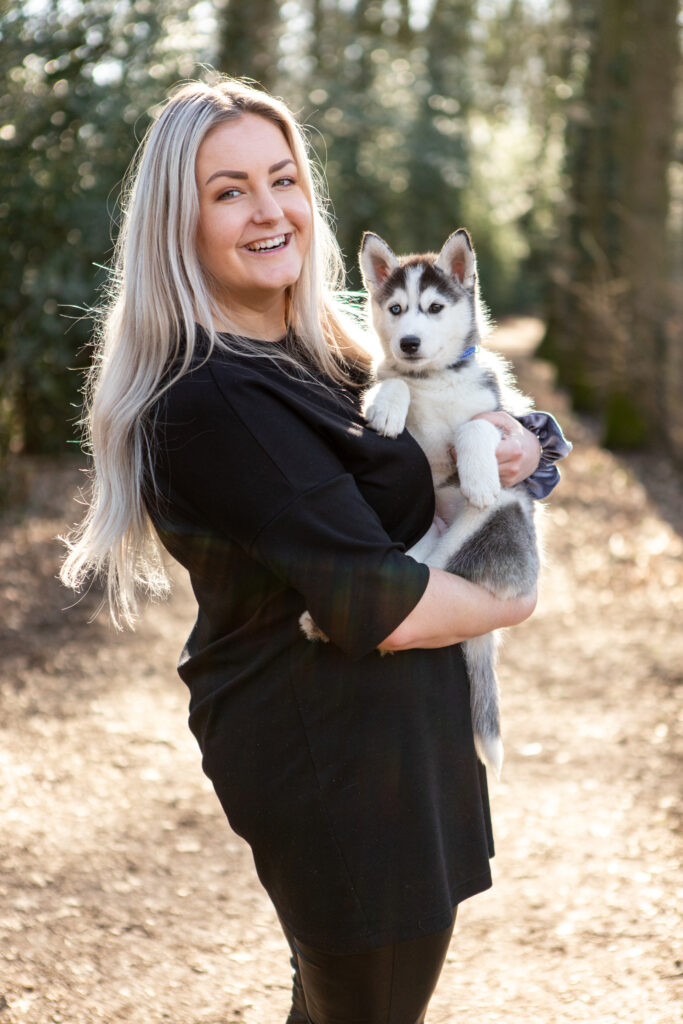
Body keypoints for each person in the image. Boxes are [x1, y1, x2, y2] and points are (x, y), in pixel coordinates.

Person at [61, 77, 570, 1024]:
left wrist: (529, 444)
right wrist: (511, 597)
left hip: (396, 746)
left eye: (282, 179)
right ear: (179, 223)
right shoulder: (213, 400)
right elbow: (382, 607)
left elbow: (471, 422)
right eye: (228, 191)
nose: (268, 211)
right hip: (330, 757)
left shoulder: (325, 355)